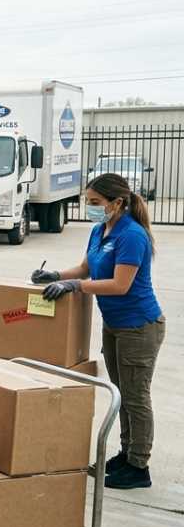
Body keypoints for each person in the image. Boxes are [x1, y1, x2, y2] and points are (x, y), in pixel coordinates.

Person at [31, 173, 163, 490]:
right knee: (121, 392)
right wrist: (56, 274)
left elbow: (120, 284)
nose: (90, 207)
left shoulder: (132, 235)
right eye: (87, 202)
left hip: (139, 327)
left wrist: (74, 286)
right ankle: (127, 454)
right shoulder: (99, 230)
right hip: (115, 325)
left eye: (95, 203)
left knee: (135, 397)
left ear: (116, 203)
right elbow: (86, 268)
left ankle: (138, 466)